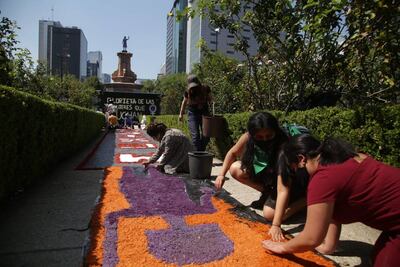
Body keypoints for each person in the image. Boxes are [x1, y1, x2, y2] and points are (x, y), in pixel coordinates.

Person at [262, 135, 400, 266]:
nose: (296, 173)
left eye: (293, 168)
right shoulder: (345, 157)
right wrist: (329, 246)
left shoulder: (322, 179)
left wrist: (283, 247)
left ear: (301, 159)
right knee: (377, 257)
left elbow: (311, 238)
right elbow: (336, 208)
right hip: (393, 223)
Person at [214, 112, 308, 239]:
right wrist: (221, 175)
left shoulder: (284, 145)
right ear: (252, 134)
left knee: (269, 214)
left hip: (293, 180)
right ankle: (268, 192)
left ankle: (305, 200)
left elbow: (283, 189)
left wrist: (276, 225)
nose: (264, 140)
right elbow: (232, 153)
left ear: (276, 131)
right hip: (273, 176)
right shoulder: (248, 137)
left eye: (269, 136)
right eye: (259, 137)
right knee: (236, 168)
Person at [179, 74, 212, 151]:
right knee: (195, 136)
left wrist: (208, 101)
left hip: (204, 112)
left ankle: (200, 151)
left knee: (206, 135)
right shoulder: (188, 91)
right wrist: (181, 114)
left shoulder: (205, 88)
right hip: (192, 113)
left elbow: (211, 99)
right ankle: (198, 154)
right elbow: (184, 102)